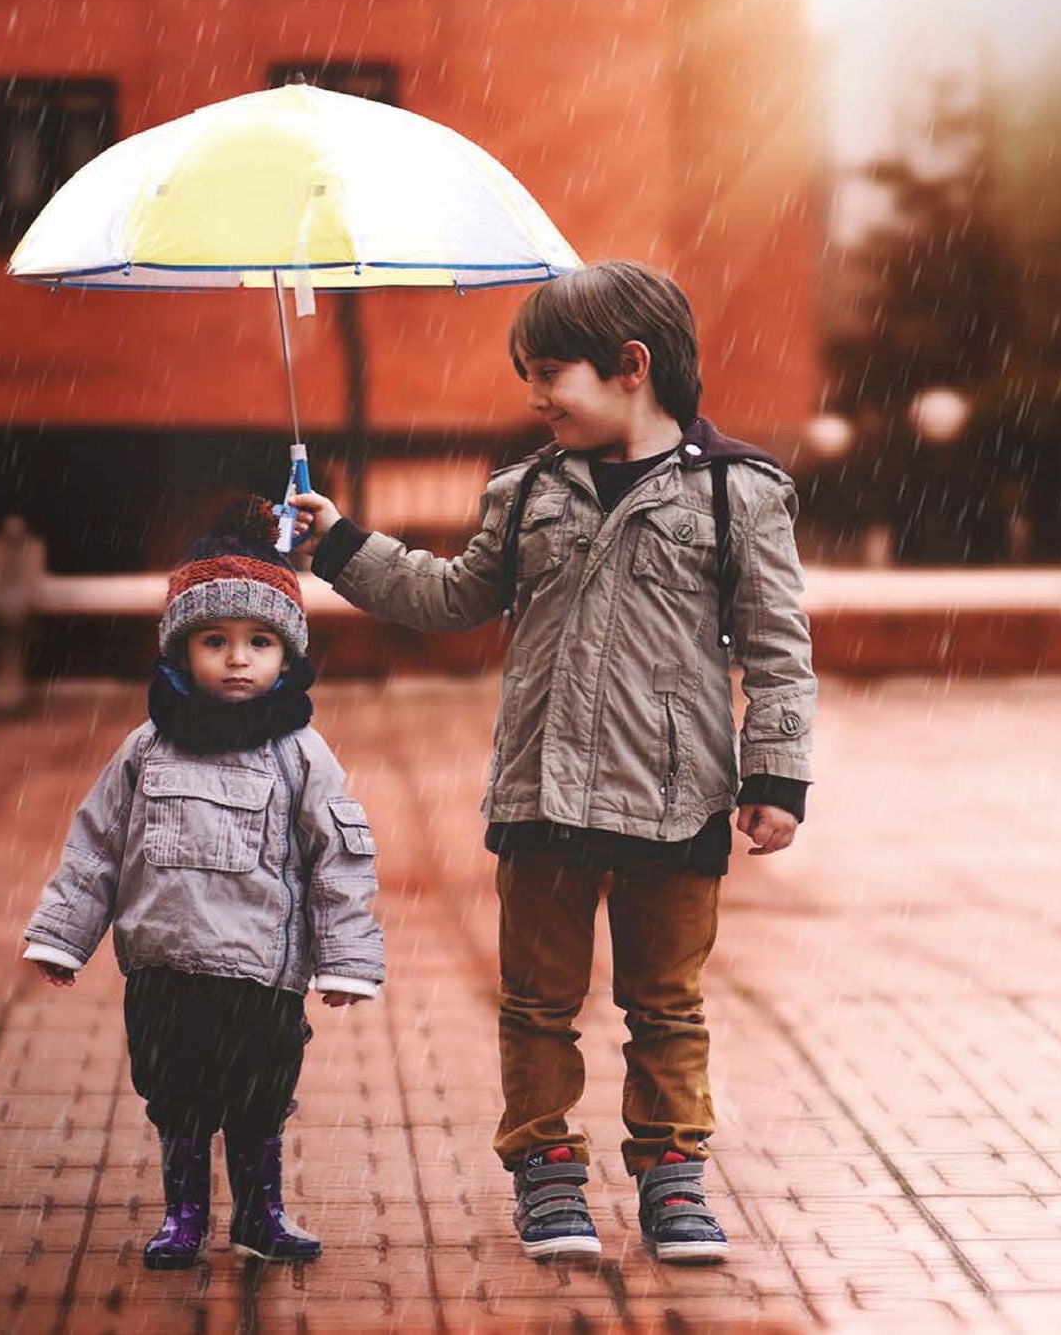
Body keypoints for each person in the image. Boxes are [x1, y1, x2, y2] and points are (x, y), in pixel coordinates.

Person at [288, 260, 816, 1264]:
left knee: (665, 1005)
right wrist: (342, 544)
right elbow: (448, 597)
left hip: (676, 797)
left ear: (629, 365)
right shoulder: (528, 489)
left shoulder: (734, 492)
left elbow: (776, 647)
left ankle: (670, 1176)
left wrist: (774, 777)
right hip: (540, 793)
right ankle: (545, 1171)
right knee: (534, 1002)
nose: (533, 398)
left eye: (548, 374)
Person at [20, 498, 386, 1268]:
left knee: (257, 1102)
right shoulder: (147, 749)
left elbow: (340, 856)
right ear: (180, 649)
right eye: (213, 640)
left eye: (260, 642)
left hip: (260, 974)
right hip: (166, 970)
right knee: (178, 1098)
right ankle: (182, 1214)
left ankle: (261, 1212)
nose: (237, 658)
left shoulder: (300, 754)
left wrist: (348, 958)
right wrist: (62, 934)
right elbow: (97, 844)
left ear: (288, 655)